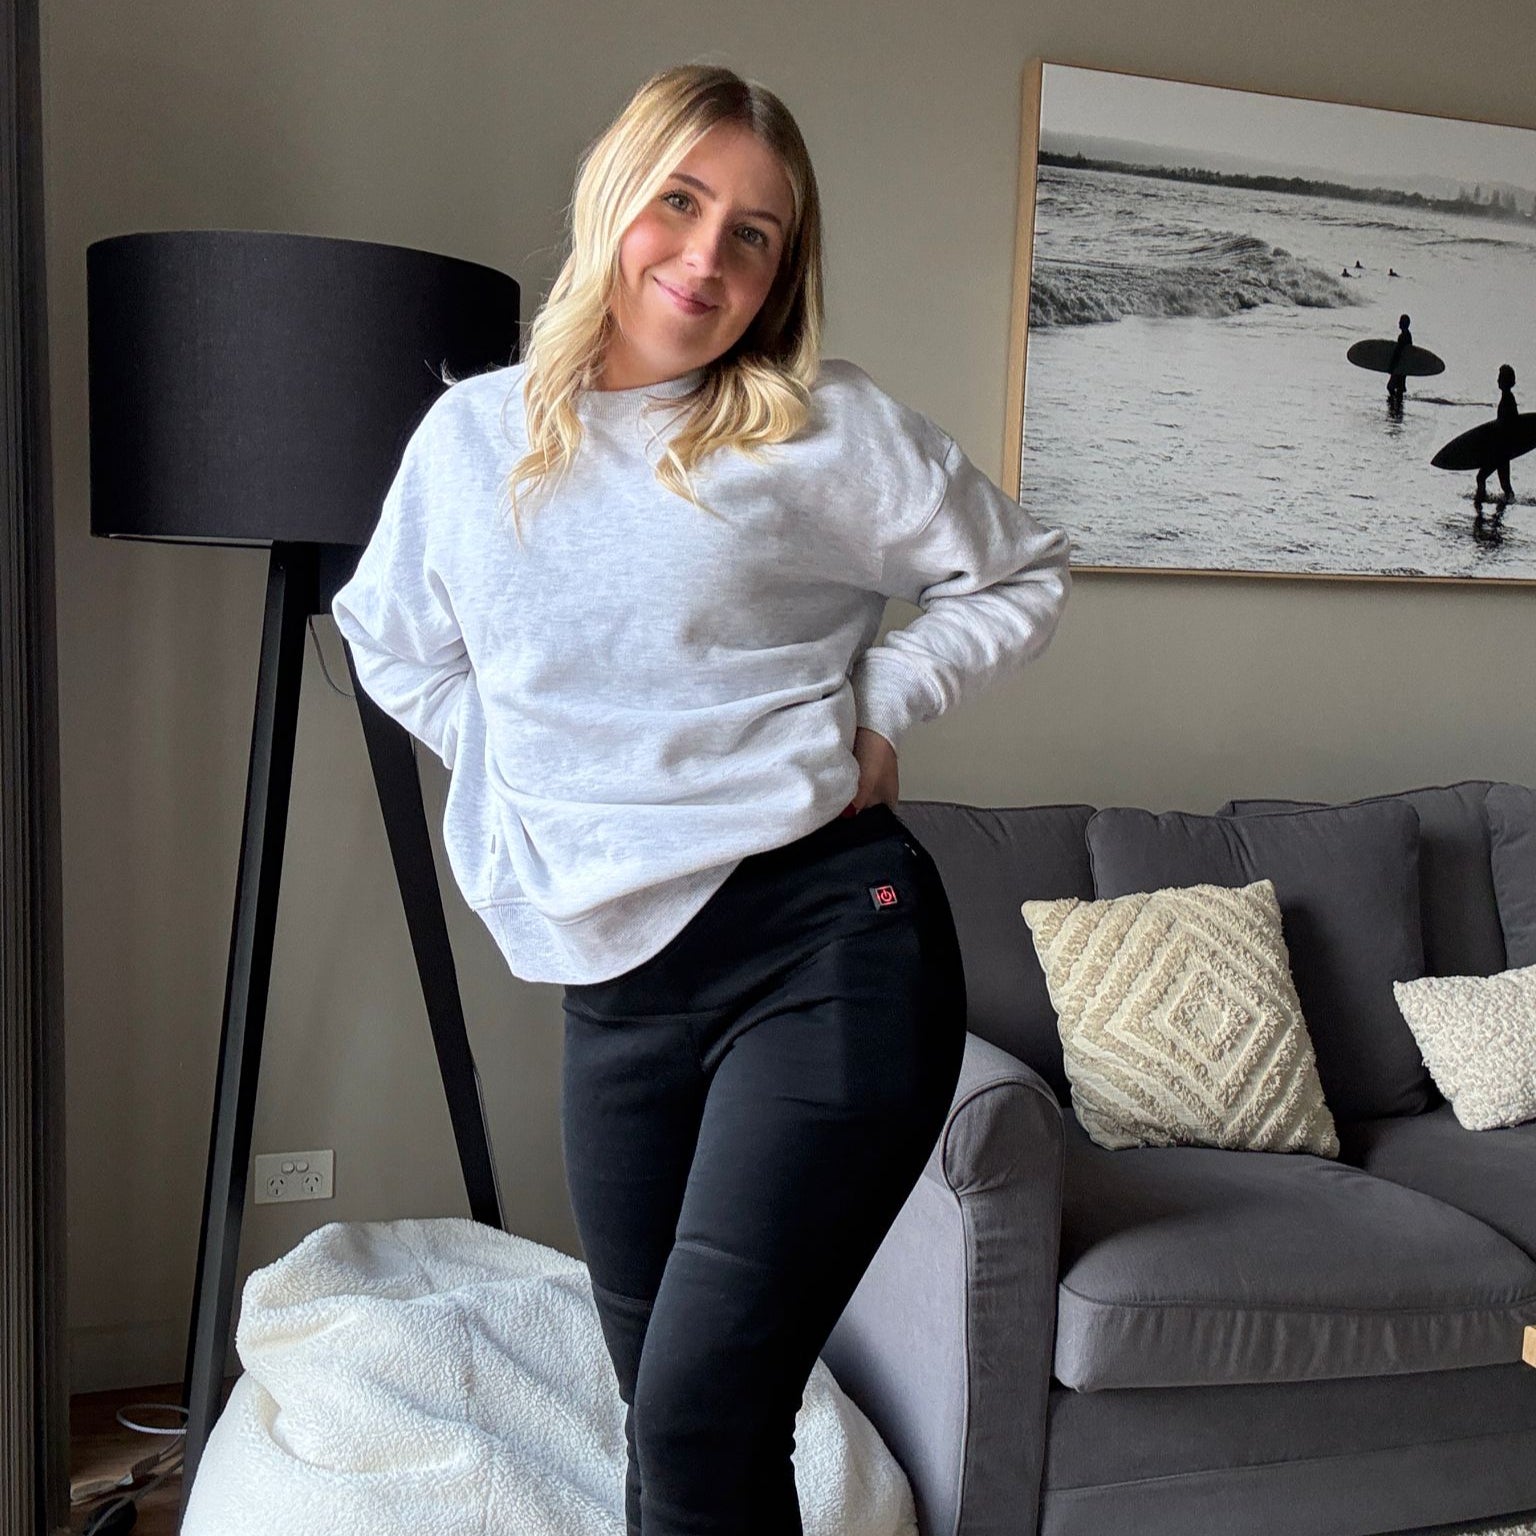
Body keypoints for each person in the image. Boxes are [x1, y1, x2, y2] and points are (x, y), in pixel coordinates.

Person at [331, 62, 1071, 1536]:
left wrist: (882, 706)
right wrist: (519, 762)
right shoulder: (472, 441)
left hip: (825, 947)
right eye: (680, 202)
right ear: (614, 200)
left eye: (755, 233)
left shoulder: (816, 430)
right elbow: (388, 638)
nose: (707, 256)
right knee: (670, 1421)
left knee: (698, 1414)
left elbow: (1020, 572)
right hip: (615, 989)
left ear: (783, 272)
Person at [1475, 363, 1518, 506]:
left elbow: (1510, 425)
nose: (1498, 380)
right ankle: (1503, 510)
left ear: (1506, 381)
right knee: (1505, 485)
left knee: (1482, 477)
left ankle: (1479, 505)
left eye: (1500, 378)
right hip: (1502, 450)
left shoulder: (1508, 400)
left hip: (1501, 450)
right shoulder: (1507, 398)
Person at [1386, 313, 1412, 410]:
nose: (1399, 323)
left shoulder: (1403, 336)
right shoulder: (1408, 335)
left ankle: (1394, 405)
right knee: (1399, 388)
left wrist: (1392, 366)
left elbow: (1398, 352)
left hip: (1399, 367)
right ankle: (1398, 407)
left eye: (1400, 322)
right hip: (1403, 367)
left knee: (1391, 387)